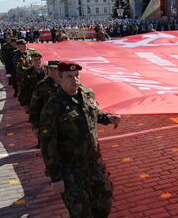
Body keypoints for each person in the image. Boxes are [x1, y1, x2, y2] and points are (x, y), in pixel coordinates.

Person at [39, 61, 121, 217]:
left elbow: (96, 113)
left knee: (105, 203)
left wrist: (109, 118)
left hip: (94, 165)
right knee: (81, 213)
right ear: (60, 78)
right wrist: (56, 177)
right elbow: (47, 143)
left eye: (76, 76)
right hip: (71, 171)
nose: (75, 80)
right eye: (69, 77)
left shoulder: (86, 95)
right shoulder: (53, 105)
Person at [29, 59, 60, 134]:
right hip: (46, 122)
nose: (53, 71)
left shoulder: (65, 83)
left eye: (55, 69)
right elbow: (34, 106)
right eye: (50, 68)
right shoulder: (41, 85)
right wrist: (35, 125)